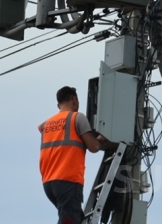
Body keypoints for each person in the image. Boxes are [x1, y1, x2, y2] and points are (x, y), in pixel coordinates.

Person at [39, 86, 114, 224]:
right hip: (67, 180)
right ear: (74, 100)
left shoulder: (47, 124)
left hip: (48, 183)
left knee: (74, 217)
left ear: (58, 105)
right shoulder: (77, 118)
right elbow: (94, 147)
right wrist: (102, 138)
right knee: (69, 220)